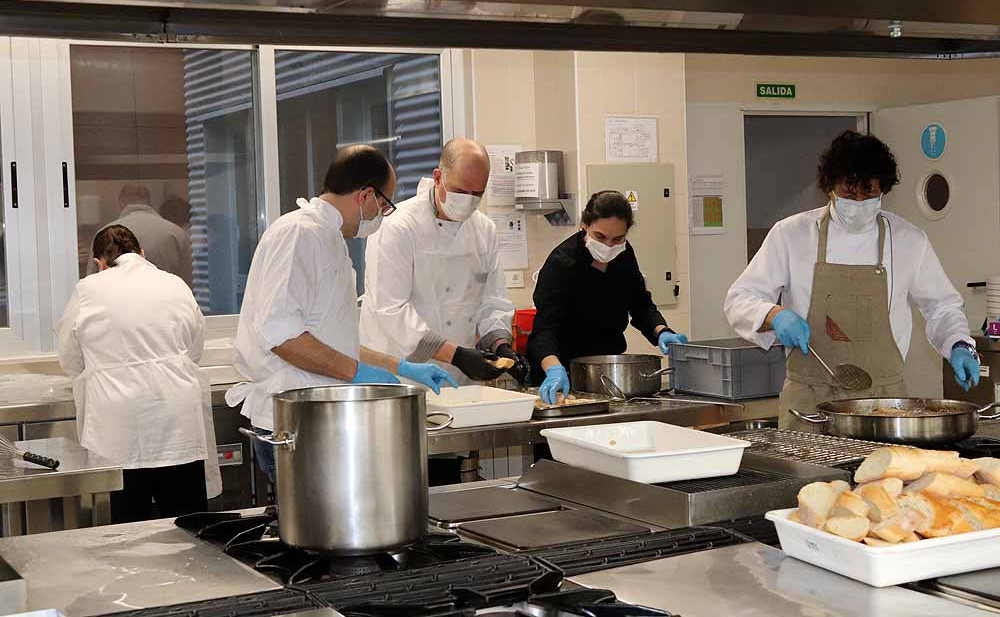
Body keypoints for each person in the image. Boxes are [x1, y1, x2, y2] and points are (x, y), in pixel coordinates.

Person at [227, 145, 458, 486]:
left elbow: (334, 343)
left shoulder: (328, 238)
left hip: (319, 418)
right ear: (365, 195)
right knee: (315, 532)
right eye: (383, 205)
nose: (382, 215)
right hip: (296, 420)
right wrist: (358, 372)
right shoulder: (298, 234)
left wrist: (400, 368)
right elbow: (282, 337)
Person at [724, 130, 977, 430]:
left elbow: (942, 307)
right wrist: (774, 315)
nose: (859, 201)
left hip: (883, 406)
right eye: (849, 192)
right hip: (809, 404)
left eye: (869, 193)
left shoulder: (908, 240)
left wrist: (959, 343)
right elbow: (739, 299)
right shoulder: (791, 234)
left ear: (883, 189)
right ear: (829, 187)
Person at [56, 225, 210, 523]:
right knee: (190, 532)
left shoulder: (88, 289)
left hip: (117, 424)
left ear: (100, 263)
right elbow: (194, 348)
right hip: (176, 417)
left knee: (126, 533)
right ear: (142, 254)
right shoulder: (174, 283)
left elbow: (70, 358)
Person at [360, 138, 526, 386]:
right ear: (438, 178)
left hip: (461, 378)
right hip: (403, 374)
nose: (468, 200)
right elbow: (390, 310)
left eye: (477, 194)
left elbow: (493, 301)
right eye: (460, 191)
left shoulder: (484, 230)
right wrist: (455, 354)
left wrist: (500, 345)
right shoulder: (398, 227)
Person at [527, 190, 688, 404]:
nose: (608, 246)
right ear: (585, 225)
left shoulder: (624, 255)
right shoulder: (561, 263)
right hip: (562, 370)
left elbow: (640, 305)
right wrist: (554, 369)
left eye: (618, 239)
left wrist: (661, 331)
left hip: (606, 372)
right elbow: (544, 329)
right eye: (600, 237)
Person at [87, 184, 193, 287]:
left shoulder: (103, 235)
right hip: (166, 302)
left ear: (121, 202)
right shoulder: (177, 233)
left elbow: (92, 286)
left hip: (119, 303)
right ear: (148, 201)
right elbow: (189, 282)